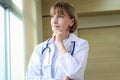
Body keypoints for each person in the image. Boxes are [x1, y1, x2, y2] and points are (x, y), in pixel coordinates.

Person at [26, 1, 89, 80]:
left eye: (60, 16)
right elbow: (31, 77)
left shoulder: (81, 44)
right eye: (52, 16)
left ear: (71, 22)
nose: (54, 21)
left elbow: (74, 72)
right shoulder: (40, 48)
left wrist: (60, 44)